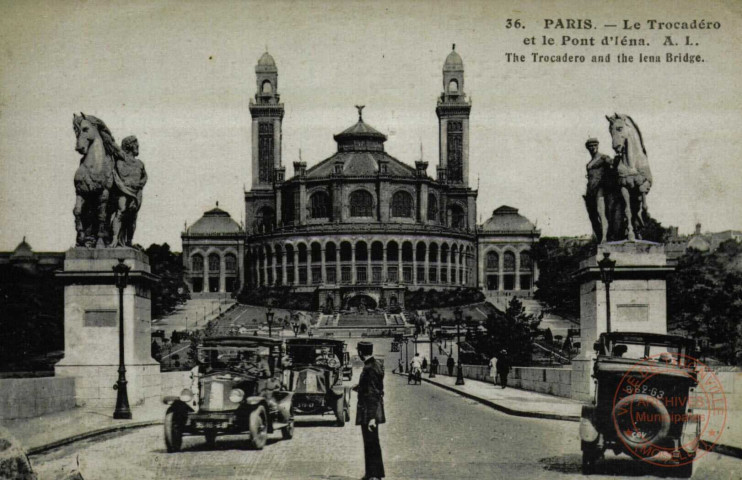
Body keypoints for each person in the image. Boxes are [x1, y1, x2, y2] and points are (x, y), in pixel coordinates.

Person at [353, 341, 385, 480]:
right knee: (373, 442)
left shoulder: (369, 368)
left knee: (370, 442)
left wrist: (372, 417)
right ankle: (374, 473)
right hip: (373, 407)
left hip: (369, 410)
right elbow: (372, 387)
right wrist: (359, 387)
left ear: (361, 352)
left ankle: (373, 475)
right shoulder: (376, 364)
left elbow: (372, 393)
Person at [111, 135, 147, 247]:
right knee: (120, 211)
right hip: (124, 191)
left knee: (132, 219)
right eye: (136, 144)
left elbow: (144, 177)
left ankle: (129, 241)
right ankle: (115, 239)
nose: (138, 146)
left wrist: (139, 186)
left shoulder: (140, 164)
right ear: (130, 145)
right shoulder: (120, 161)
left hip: (136, 193)